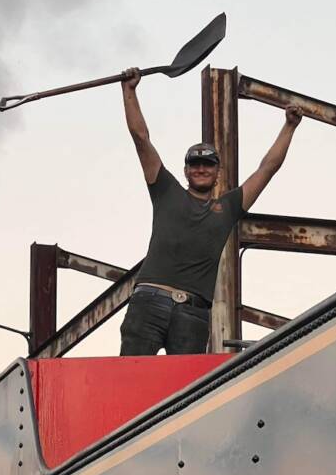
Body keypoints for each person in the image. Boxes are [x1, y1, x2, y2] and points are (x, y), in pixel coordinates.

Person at [119, 66, 302, 355]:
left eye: (208, 164)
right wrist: (129, 91)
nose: (201, 169)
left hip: (193, 314)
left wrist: (289, 126)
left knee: (186, 395)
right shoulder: (165, 190)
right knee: (128, 382)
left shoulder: (227, 207)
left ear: (217, 172)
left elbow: (268, 168)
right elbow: (141, 138)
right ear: (186, 170)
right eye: (195, 164)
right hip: (149, 302)